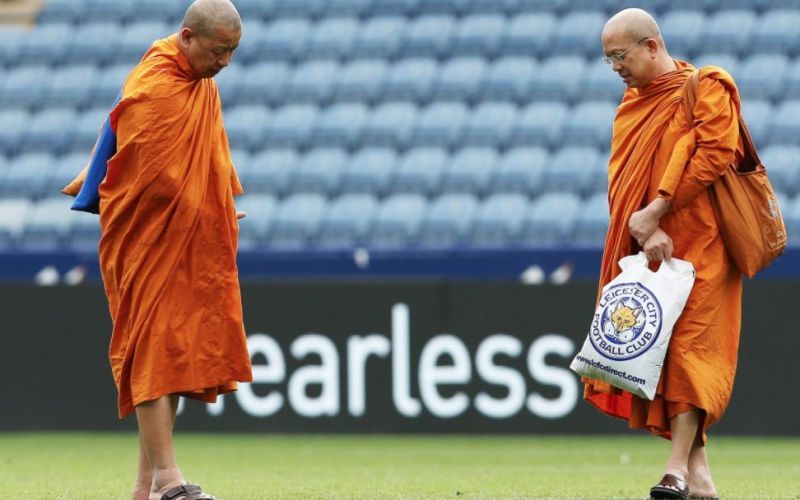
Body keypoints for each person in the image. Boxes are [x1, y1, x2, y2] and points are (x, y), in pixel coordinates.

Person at [63, 1, 252, 499]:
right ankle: (169, 482)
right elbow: (148, 183)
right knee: (153, 351)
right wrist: (203, 206)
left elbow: (202, 165)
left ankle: (146, 488)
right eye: (219, 51)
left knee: (177, 354)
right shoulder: (153, 87)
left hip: (188, 238)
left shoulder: (200, 86)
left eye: (232, 52)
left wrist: (217, 205)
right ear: (187, 37)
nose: (225, 62)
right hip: (146, 242)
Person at [582, 8, 745, 500]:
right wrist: (643, 228)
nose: (614, 66)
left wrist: (659, 209)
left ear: (652, 45)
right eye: (607, 58)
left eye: (620, 55)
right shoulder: (631, 105)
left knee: (693, 352)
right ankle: (700, 478)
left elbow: (717, 152)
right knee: (663, 355)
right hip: (650, 249)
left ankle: (674, 471)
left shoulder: (708, 85)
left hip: (706, 246)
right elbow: (623, 187)